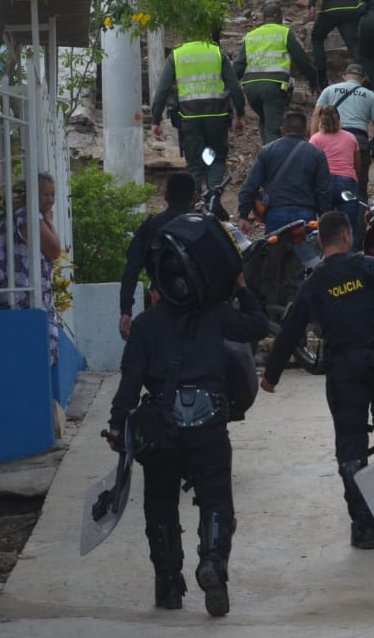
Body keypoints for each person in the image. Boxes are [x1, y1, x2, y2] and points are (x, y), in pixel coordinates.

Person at [107, 238, 269, 616]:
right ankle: (212, 563)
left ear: (158, 288)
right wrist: (242, 288)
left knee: (160, 506)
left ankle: (168, 585)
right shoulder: (214, 315)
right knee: (215, 500)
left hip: (161, 428)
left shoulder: (145, 327)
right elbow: (258, 324)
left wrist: (117, 426)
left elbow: (129, 386)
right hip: (210, 423)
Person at [261, 211, 374, 549]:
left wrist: (271, 376)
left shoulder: (314, 283)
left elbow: (290, 331)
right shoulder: (370, 270)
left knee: (351, 447)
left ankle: (362, 524)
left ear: (321, 240)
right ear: (346, 234)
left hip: (345, 371)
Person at [151, 36, 246, 191]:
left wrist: (156, 120)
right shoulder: (216, 52)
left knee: (195, 164)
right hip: (217, 116)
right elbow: (235, 87)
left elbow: (162, 90)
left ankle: (195, 205)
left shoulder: (177, 55)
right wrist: (240, 115)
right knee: (216, 160)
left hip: (189, 118)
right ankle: (213, 200)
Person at [119, 171, 197, 340]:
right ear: (195, 197)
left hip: (160, 304)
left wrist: (126, 311)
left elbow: (132, 268)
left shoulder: (150, 227)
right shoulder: (206, 227)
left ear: (166, 195)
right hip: (201, 310)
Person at [0, 171, 62, 362]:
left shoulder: (20, 214)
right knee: (35, 351)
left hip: (19, 294)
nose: (50, 200)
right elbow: (55, 250)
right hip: (23, 296)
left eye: (52, 195)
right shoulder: (27, 216)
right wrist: (49, 220)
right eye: (45, 194)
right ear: (32, 194)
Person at [237, 111, 334, 235]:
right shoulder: (317, 154)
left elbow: (250, 186)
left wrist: (243, 215)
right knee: (307, 253)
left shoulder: (267, 151)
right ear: (305, 131)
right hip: (305, 215)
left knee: (274, 253)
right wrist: (324, 217)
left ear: (282, 130)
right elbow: (323, 191)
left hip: (275, 214)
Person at [234, 2, 318, 144]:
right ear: (279, 17)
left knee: (266, 120)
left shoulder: (251, 36)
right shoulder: (284, 33)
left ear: (263, 18)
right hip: (274, 86)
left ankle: (265, 155)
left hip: (250, 88)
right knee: (273, 128)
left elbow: (238, 66)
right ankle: (273, 162)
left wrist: (228, 87)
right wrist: (314, 82)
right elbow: (302, 60)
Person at [312, 63, 374, 199]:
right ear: (363, 80)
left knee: (327, 184)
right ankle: (358, 215)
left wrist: (314, 140)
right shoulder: (370, 95)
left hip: (329, 140)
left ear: (343, 78)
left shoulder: (329, 90)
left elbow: (317, 114)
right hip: (359, 140)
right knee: (359, 188)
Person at [309, 106, 363, 250]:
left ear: (320, 121)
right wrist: (354, 180)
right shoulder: (350, 137)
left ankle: (328, 261)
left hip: (324, 185)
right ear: (339, 119)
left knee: (327, 228)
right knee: (350, 228)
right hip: (346, 184)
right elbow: (357, 164)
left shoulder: (315, 139)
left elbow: (311, 166)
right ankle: (352, 262)